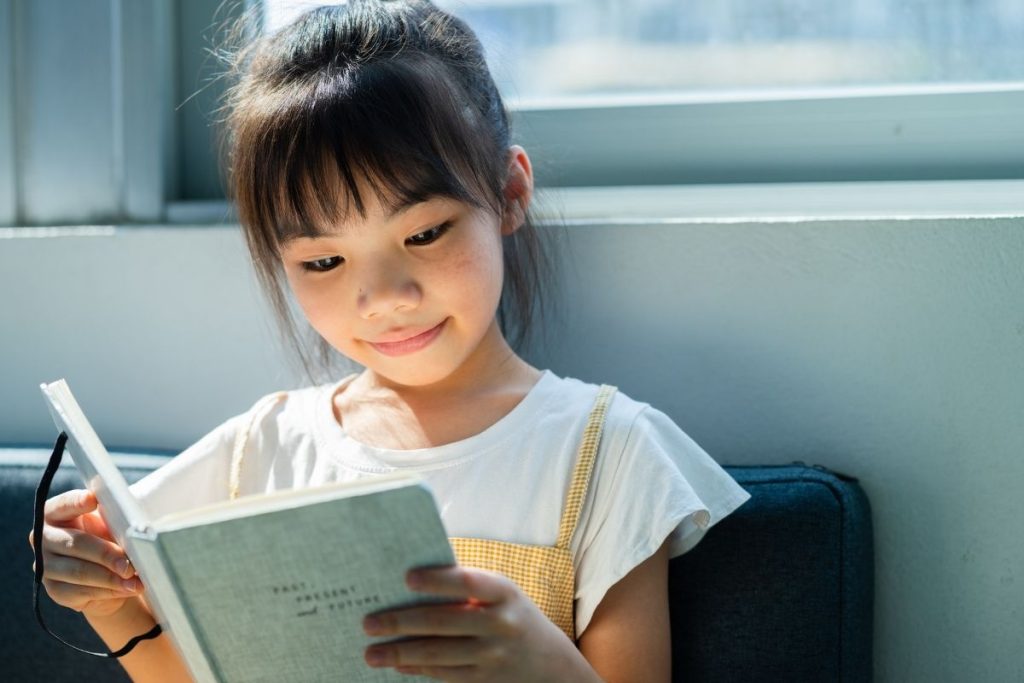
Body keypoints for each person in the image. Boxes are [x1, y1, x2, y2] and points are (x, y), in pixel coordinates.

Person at [31, 1, 750, 680]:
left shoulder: (608, 452)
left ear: (509, 194)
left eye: (424, 233)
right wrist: (103, 592)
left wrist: (542, 661)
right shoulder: (263, 449)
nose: (384, 299)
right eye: (323, 261)